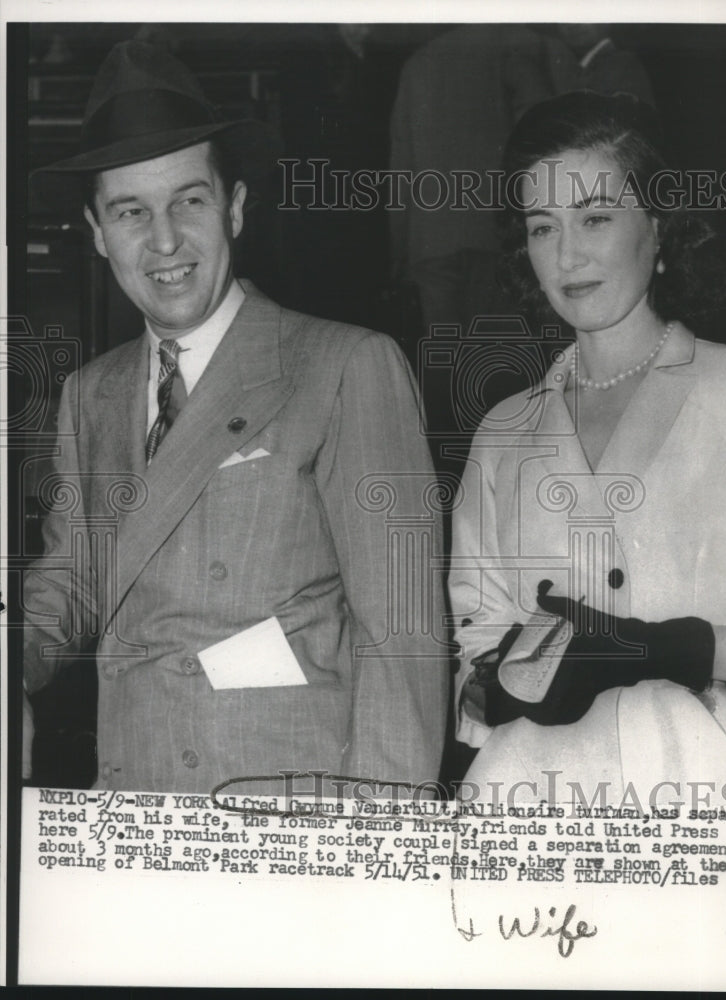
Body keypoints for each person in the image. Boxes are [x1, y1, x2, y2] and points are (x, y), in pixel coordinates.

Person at [22, 40, 448, 794]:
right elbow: (71, 586)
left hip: (289, 810)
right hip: (135, 791)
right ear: (96, 234)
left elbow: (402, 635)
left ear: (236, 207)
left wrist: (385, 848)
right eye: (131, 211)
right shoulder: (88, 396)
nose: (163, 242)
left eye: (189, 200)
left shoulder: (344, 366)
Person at [448, 92, 726, 810]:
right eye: (541, 227)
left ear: (657, 226)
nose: (566, 255)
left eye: (594, 217)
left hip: (693, 778)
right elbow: (478, 639)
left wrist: (658, 649)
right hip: (524, 790)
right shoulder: (502, 432)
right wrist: (493, 675)